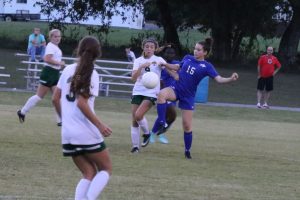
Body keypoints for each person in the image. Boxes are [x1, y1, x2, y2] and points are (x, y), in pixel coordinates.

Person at [150, 38, 239, 159]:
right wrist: (165, 64)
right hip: (176, 89)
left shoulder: (207, 66)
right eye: (195, 49)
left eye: (198, 50)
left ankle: (187, 151)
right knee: (161, 95)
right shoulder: (187, 57)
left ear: (205, 52)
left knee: (187, 126)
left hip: (188, 96)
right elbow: (176, 67)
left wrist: (230, 78)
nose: (195, 51)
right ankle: (162, 122)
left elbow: (219, 79)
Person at [52, 36, 112, 200]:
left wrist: (65, 120)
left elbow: (55, 98)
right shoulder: (92, 73)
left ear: (79, 50)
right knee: (106, 169)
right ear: (98, 53)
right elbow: (82, 103)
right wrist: (100, 125)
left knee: (89, 173)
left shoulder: (67, 70)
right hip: (85, 131)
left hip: (68, 132)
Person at [130, 38, 179, 153]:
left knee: (138, 115)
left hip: (151, 92)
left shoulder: (158, 59)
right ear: (143, 47)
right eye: (147, 46)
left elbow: (169, 70)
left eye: (152, 47)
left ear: (155, 49)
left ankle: (147, 134)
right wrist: (142, 66)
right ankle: (135, 147)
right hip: (138, 90)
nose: (149, 49)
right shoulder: (138, 60)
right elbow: (133, 78)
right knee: (134, 120)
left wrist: (175, 74)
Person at [18, 29, 65, 126]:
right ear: (51, 37)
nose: (57, 38)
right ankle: (22, 112)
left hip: (55, 73)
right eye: (55, 36)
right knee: (39, 96)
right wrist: (59, 63)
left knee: (57, 97)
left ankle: (60, 120)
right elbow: (46, 59)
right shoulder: (51, 46)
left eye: (58, 36)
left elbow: (53, 60)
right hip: (48, 73)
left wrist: (59, 65)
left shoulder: (55, 47)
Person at [150, 44, 180, 144]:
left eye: (172, 53)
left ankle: (157, 133)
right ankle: (155, 134)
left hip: (173, 93)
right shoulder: (159, 64)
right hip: (162, 93)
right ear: (164, 54)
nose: (170, 55)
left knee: (170, 116)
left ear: (175, 55)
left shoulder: (176, 64)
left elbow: (178, 71)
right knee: (167, 114)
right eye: (168, 53)